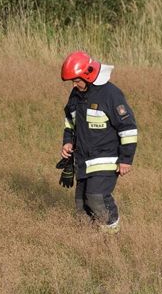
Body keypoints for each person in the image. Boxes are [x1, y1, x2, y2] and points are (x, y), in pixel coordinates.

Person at [58, 51, 138, 233]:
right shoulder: (76, 94)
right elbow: (70, 121)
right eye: (72, 81)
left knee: (96, 197)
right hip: (83, 160)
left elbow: (128, 128)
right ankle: (91, 244)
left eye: (77, 80)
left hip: (106, 158)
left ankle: (112, 237)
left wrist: (126, 159)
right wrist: (68, 142)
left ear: (88, 74)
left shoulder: (111, 94)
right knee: (81, 205)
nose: (74, 85)